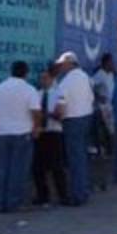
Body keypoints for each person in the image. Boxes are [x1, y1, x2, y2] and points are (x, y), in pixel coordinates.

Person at [0, 61, 42, 213]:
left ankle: (0, 202)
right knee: (19, 170)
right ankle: (15, 202)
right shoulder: (29, 90)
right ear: (26, 73)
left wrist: (0, 122)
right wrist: (36, 127)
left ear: (11, 71)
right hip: (22, 133)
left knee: (2, 169)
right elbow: (36, 112)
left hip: (2, 134)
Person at [54, 51, 95, 206]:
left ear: (69, 63)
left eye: (62, 64)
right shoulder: (85, 78)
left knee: (75, 159)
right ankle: (82, 191)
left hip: (73, 121)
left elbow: (61, 107)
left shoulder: (66, 82)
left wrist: (55, 116)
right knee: (81, 158)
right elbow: (91, 98)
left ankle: (77, 195)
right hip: (85, 118)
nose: (61, 67)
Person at [33, 64, 68, 206]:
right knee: (38, 167)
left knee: (57, 166)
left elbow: (59, 114)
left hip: (54, 132)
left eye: (46, 78)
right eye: (41, 78)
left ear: (51, 79)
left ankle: (63, 195)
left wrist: (45, 115)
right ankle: (42, 195)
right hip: (40, 133)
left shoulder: (59, 93)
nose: (43, 80)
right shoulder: (36, 94)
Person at [92, 53, 116, 155]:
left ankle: (110, 150)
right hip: (101, 107)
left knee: (111, 129)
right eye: (111, 62)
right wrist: (98, 96)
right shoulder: (99, 74)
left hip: (110, 106)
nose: (113, 64)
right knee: (103, 130)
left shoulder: (110, 74)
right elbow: (90, 87)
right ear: (106, 63)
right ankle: (102, 150)